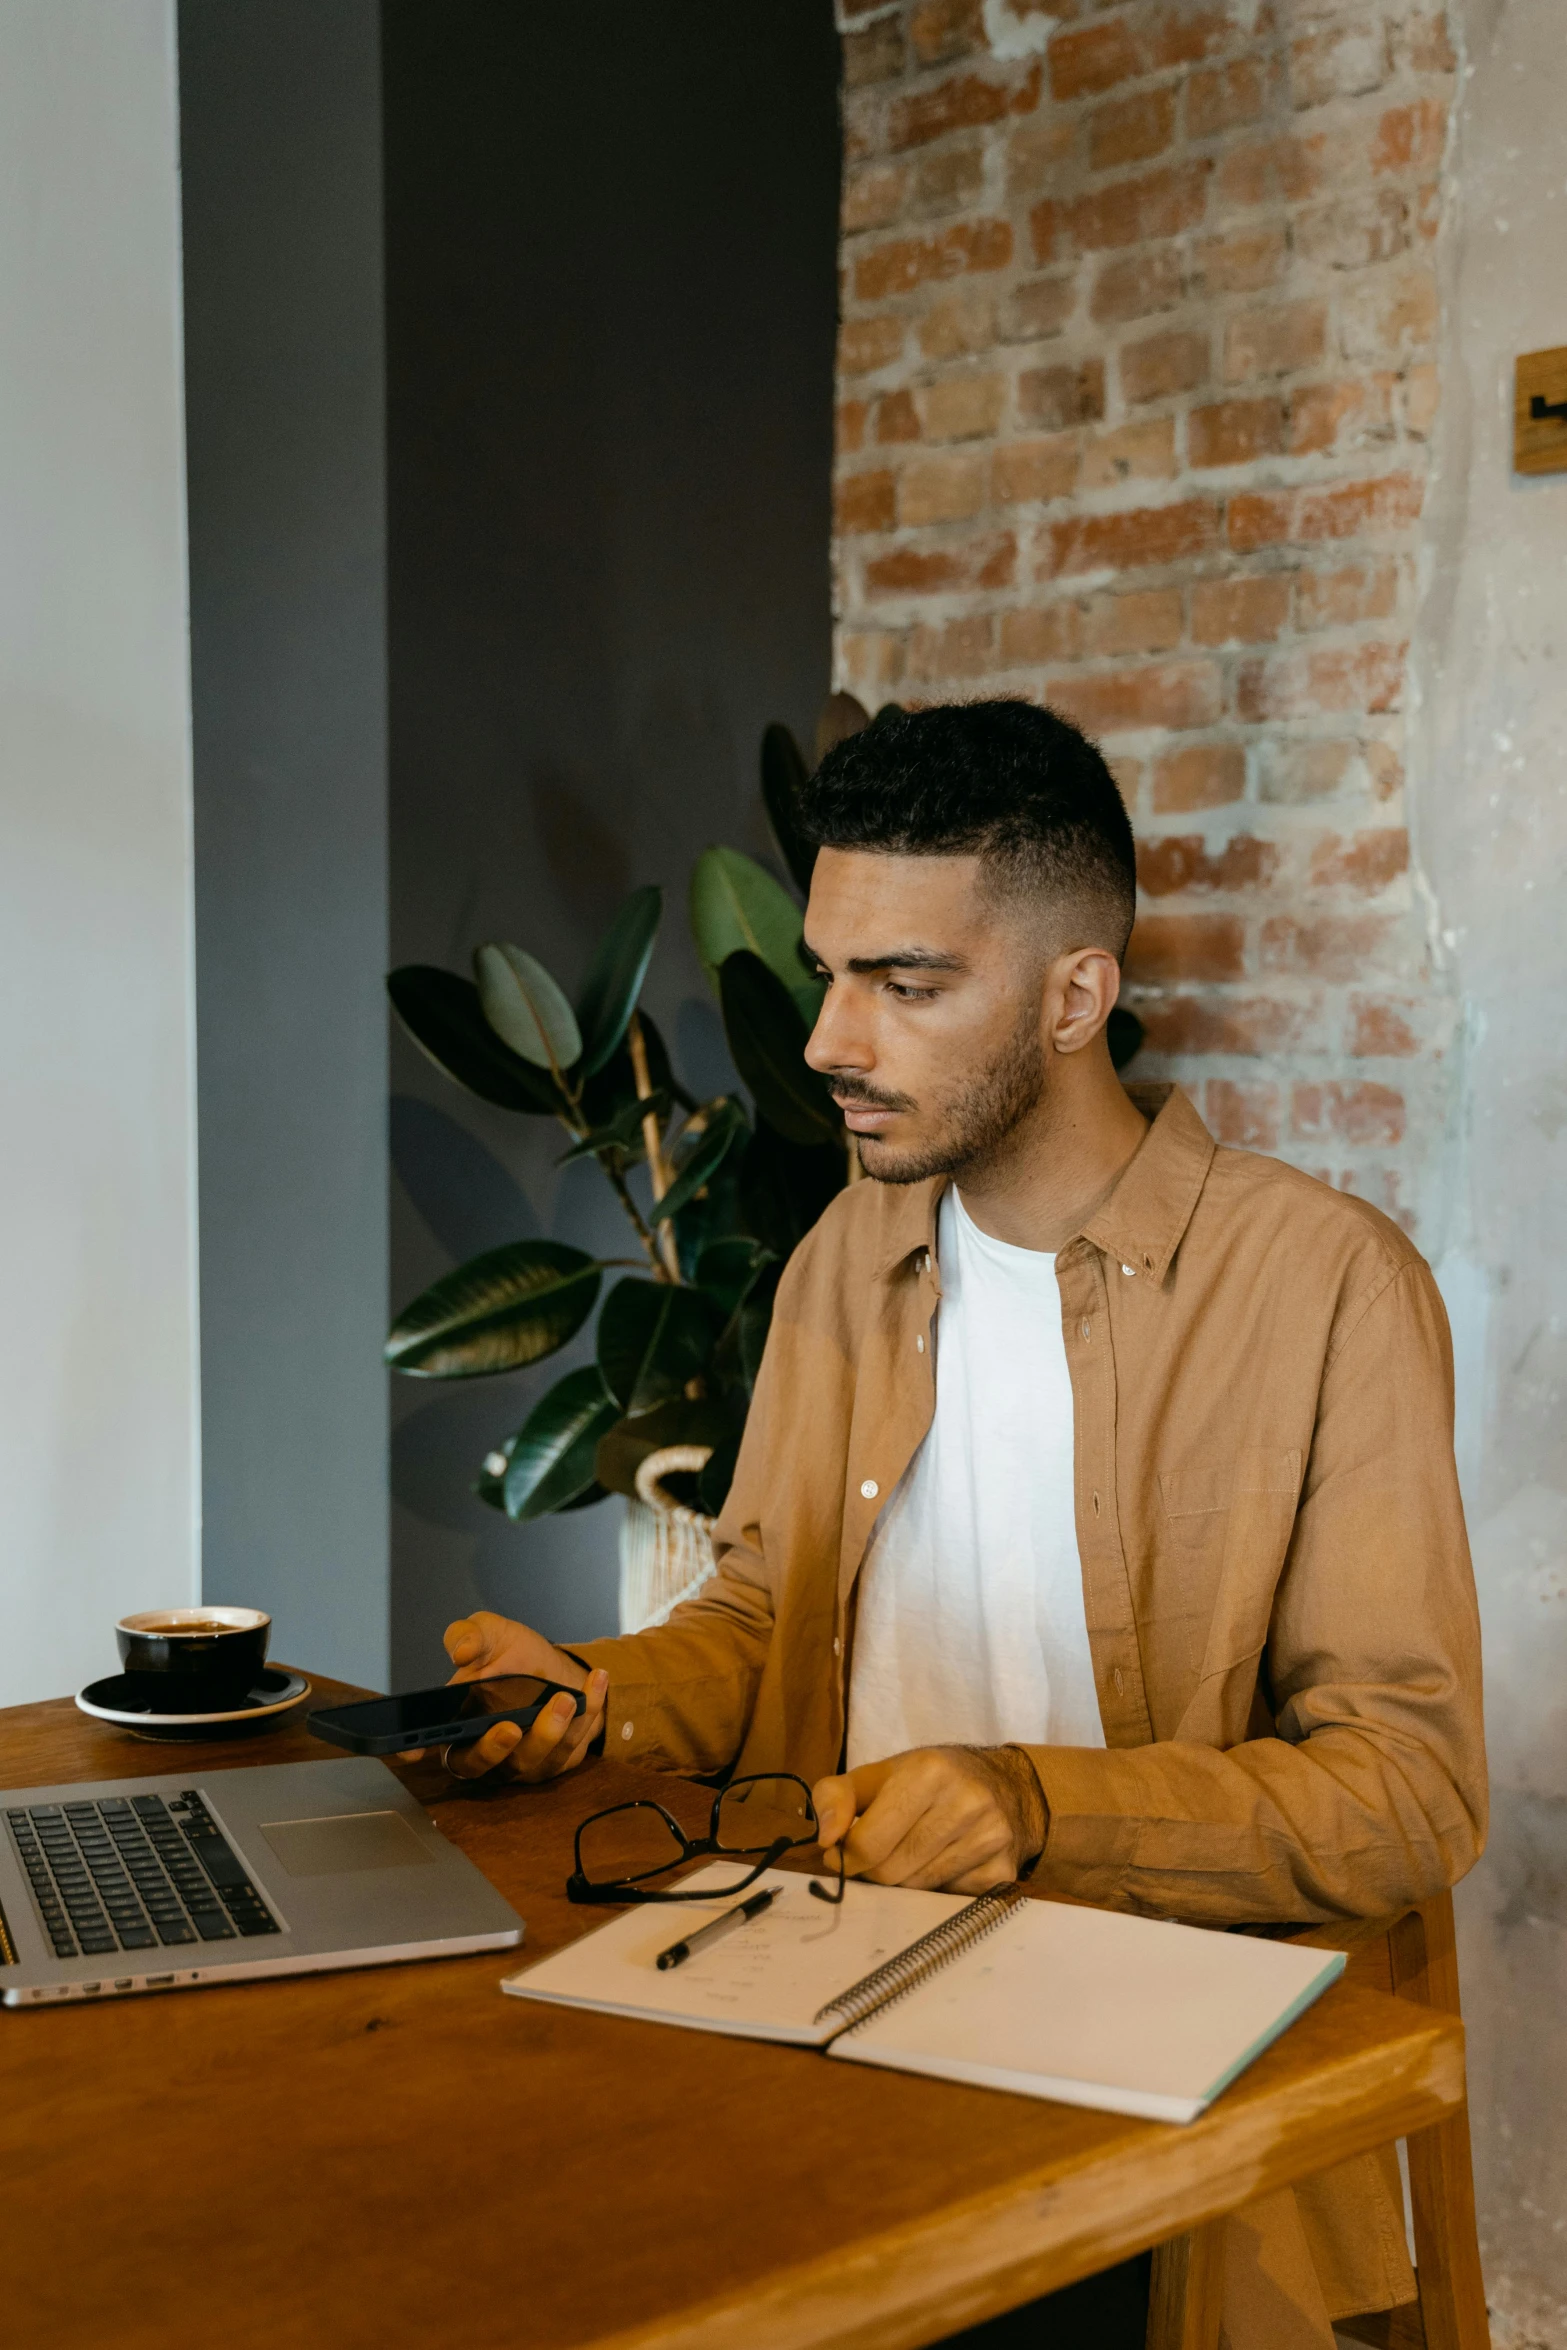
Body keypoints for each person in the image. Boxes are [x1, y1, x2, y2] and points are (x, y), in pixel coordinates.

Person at [433, 701, 1485, 2350]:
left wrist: (1030, 1809)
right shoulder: (844, 1260)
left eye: (904, 986)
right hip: (810, 1997)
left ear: (1077, 995)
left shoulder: (1324, 1287)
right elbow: (757, 1615)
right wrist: (601, 1691)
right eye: (832, 970)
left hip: (1140, 2085)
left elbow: (1408, 1793)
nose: (827, 1041)